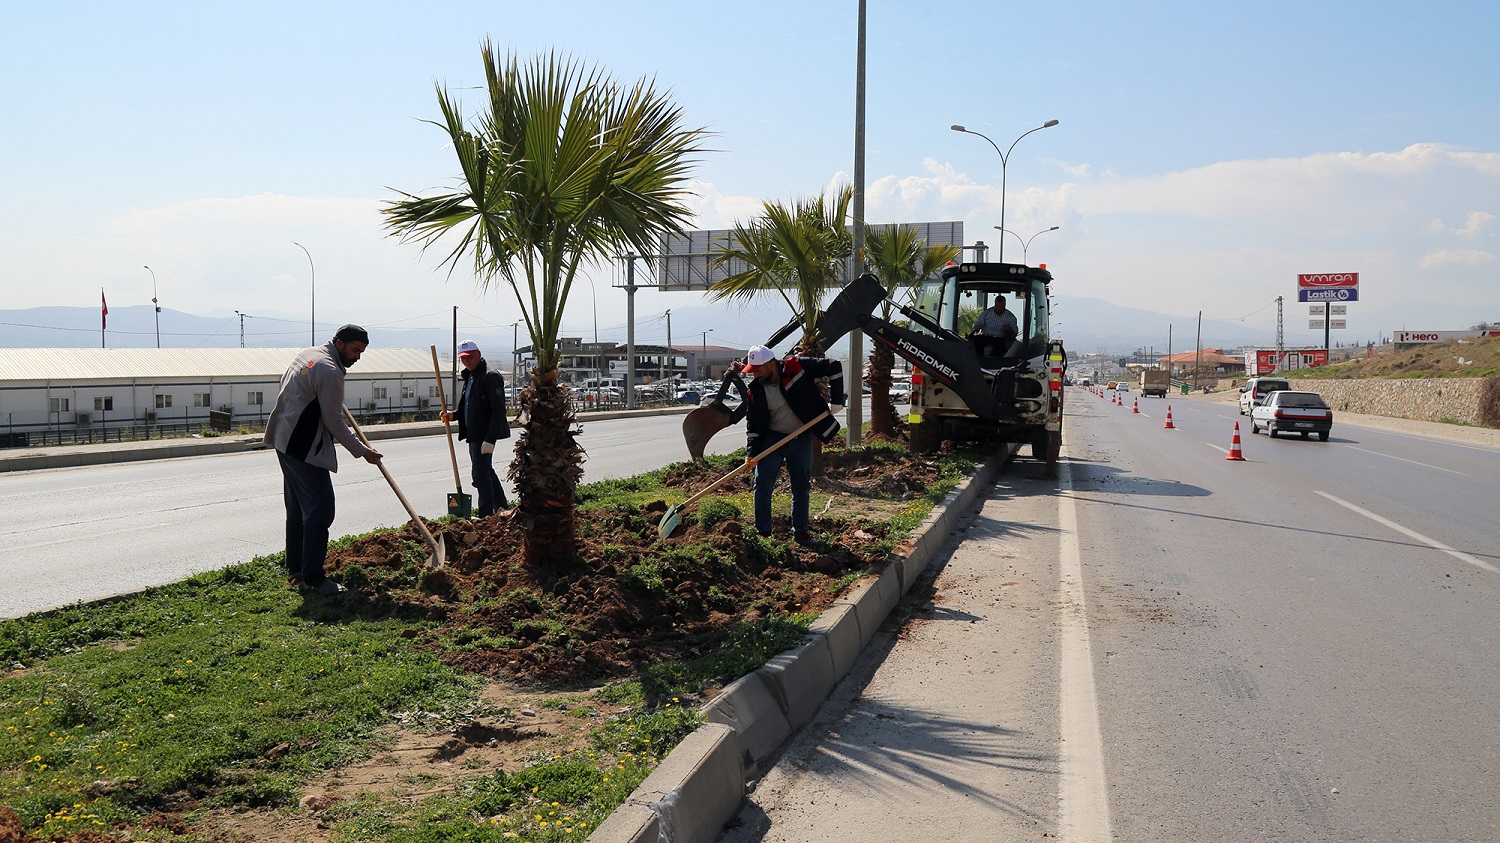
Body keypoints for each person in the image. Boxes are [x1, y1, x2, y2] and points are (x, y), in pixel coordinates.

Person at [264, 324, 382, 595]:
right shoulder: (329, 371)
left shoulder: (310, 354)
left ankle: (295, 568)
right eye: (354, 350)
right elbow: (333, 421)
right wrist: (362, 450)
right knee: (320, 510)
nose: (357, 357)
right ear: (339, 344)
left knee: (297, 510)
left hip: (283, 439)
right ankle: (314, 579)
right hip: (302, 447)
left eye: (361, 352)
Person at [729, 345, 846, 545]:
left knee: (801, 486)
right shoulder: (756, 390)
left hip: (800, 439)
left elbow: (834, 366)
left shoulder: (796, 367)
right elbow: (754, 425)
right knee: (762, 485)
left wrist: (836, 401)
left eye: (758, 369)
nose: (755, 374)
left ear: (770, 364)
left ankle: (800, 532)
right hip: (772, 440)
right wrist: (751, 452)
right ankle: (764, 534)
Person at [449, 339, 511, 516]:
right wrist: (453, 415)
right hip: (474, 434)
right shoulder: (470, 376)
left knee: (480, 476)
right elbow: (468, 406)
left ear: (478, 354)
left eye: (470, 357)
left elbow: (498, 410)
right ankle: (501, 506)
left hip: (484, 434)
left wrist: (490, 439)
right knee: (486, 472)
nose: (467, 361)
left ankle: (485, 516)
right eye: (463, 358)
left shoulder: (490, 376)